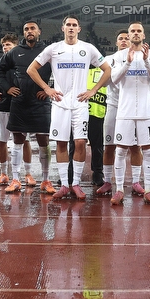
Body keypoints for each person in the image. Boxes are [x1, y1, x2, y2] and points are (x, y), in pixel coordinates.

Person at [28, 15, 111, 200]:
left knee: (81, 142)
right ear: (63, 28)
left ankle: (76, 184)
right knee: (61, 143)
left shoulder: (88, 48)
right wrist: (47, 88)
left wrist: (94, 90)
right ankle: (65, 184)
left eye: (74, 25)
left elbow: (107, 70)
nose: (71, 28)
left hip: (81, 104)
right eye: (68, 25)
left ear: (79, 29)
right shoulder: (54, 48)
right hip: (60, 104)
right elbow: (31, 69)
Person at [0, 20, 54, 194]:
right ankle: (15, 179)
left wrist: (48, 89)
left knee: (44, 141)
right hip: (19, 102)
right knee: (18, 140)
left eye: (32, 28)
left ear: (39, 32)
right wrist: (7, 88)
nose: (29, 31)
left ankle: (46, 180)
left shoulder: (48, 51)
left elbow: (61, 72)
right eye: (26, 29)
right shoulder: (15, 52)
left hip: (41, 102)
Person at [109, 22, 150, 206]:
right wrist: (128, 63)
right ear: (129, 35)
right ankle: (119, 190)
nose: (136, 33)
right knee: (121, 150)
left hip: (147, 111)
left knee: (148, 151)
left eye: (139, 30)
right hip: (125, 111)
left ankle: (148, 189)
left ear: (144, 35)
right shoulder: (119, 56)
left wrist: (146, 61)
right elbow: (114, 79)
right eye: (133, 31)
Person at [0, 33, 32, 186]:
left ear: (16, 47)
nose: (5, 48)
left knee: (25, 141)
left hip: (20, 107)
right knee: (2, 141)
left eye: (8, 45)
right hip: (2, 107)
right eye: (4, 46)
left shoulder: (24, 63)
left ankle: (28, 174)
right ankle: (4, 173)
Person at [95, 30, 131, 196]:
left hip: (131, 108)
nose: (124, 41)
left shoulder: (138, 58)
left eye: (127, 38)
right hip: (113, 106)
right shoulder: (109, 59)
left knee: (135, 147)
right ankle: (108, 181)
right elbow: (104, 82)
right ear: (116, 42)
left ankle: (136, 182)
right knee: (108, 146)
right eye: (121, 39)